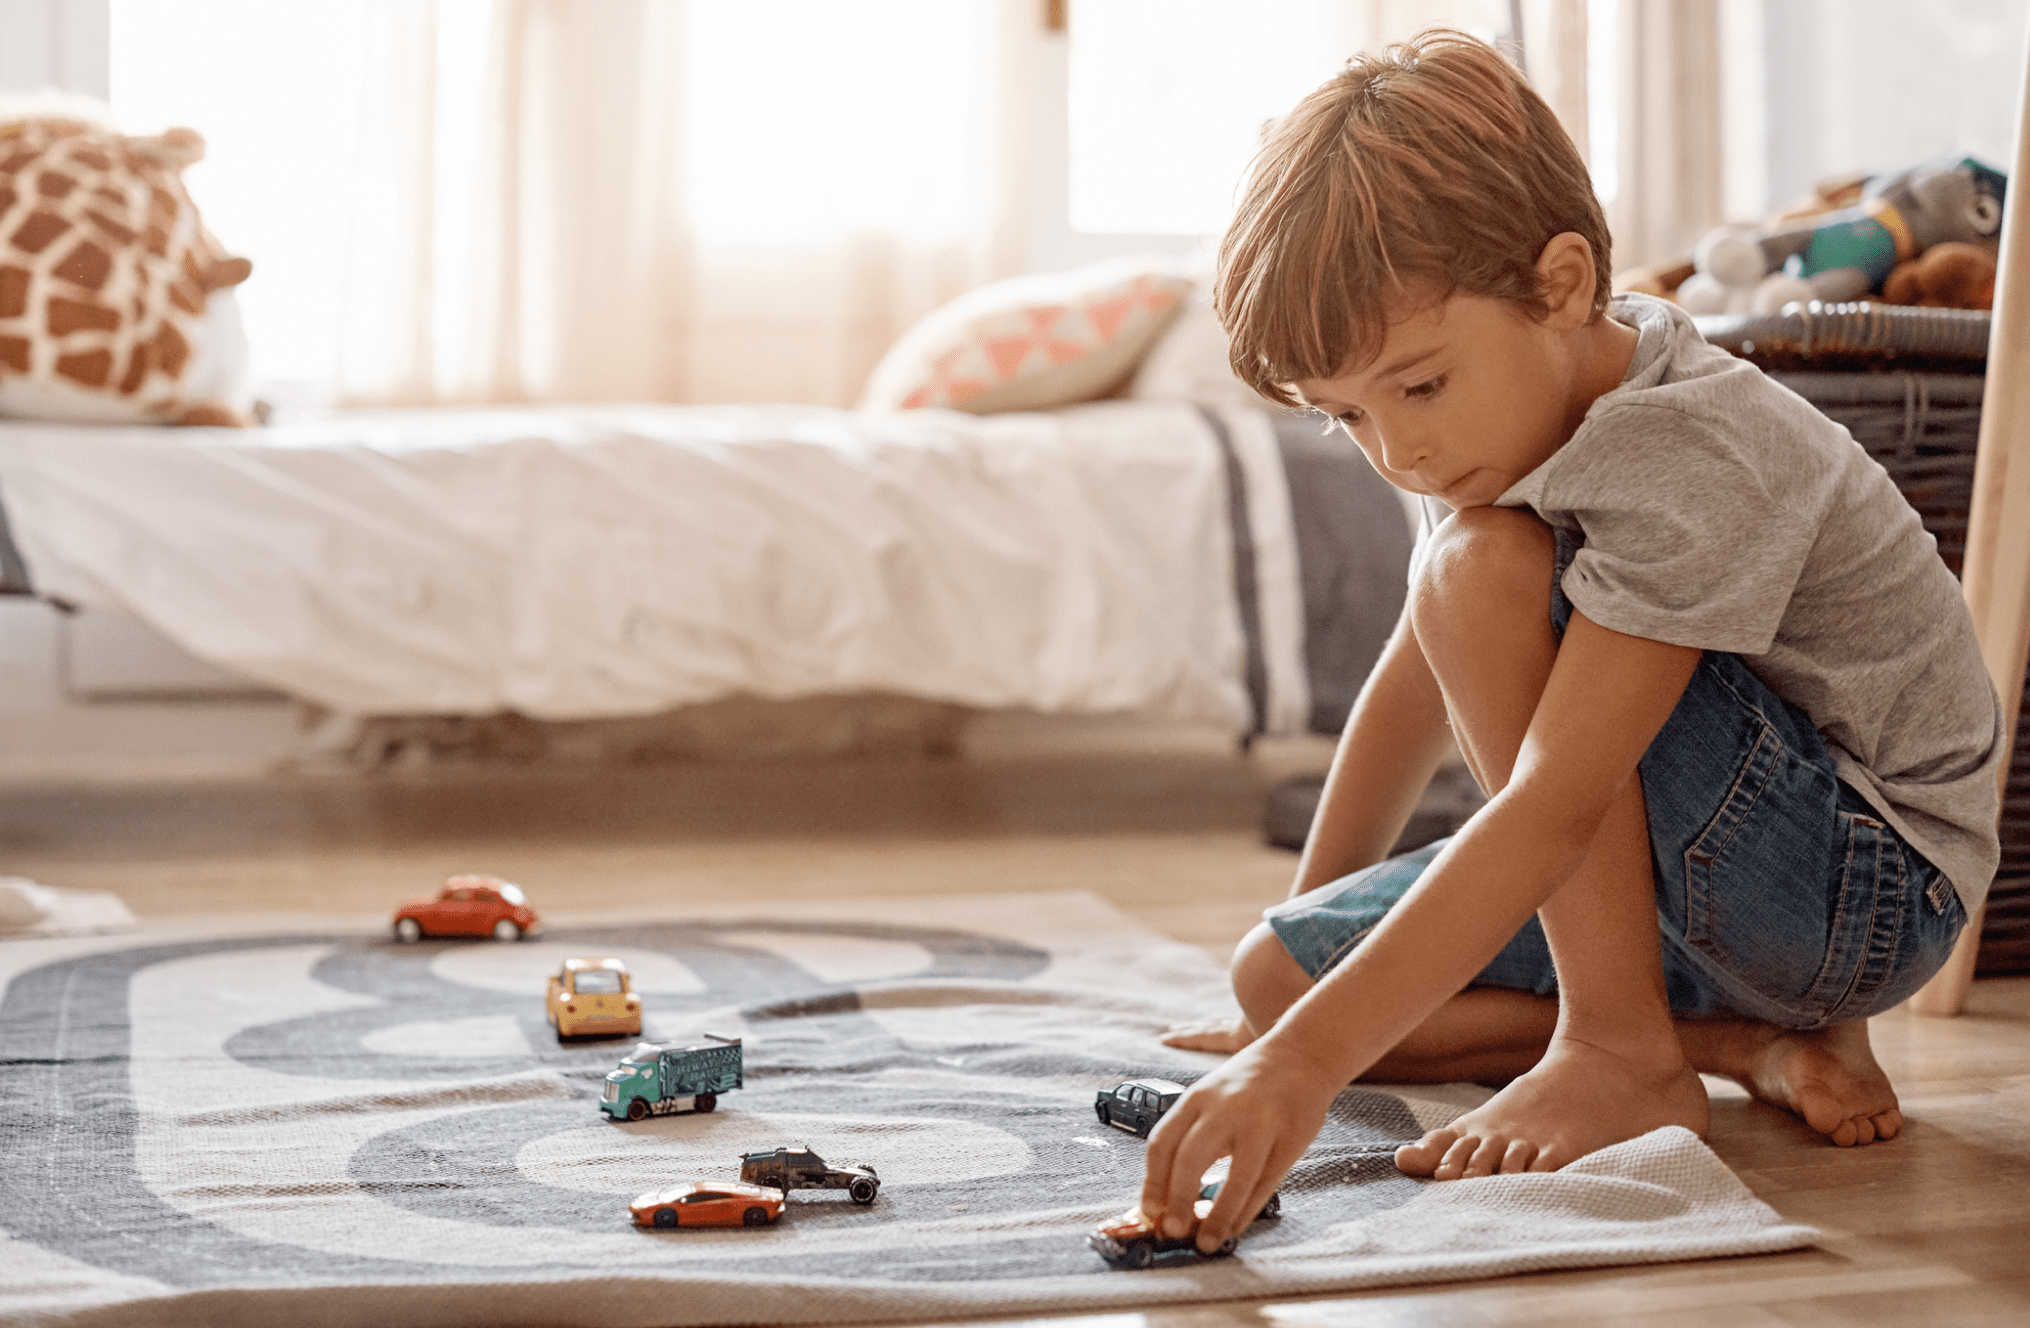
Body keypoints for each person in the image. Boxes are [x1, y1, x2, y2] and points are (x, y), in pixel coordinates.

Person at [1139, 29, 2003, 1256]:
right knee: (1271, 978)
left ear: (1555, 284)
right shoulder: (1494, 418)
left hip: (1862, 882)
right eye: (1347, 418)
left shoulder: (1685, 445)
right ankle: (1734, 1046)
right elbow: (1412, 678)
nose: (1396, 453)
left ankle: (1615, 1047)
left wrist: (1306, 1068)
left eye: (1416, 388)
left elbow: (1553, 800)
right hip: (1707, 886)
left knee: (1479, 568)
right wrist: (1303, 985)